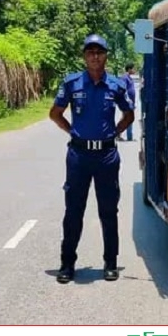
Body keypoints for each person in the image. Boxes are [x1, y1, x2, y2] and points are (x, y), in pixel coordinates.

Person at [49, 34, 135, 284]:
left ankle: (110, 262)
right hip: (79, 156)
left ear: (106, 55)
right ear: (84, 56)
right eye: (90, 52)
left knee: (108, 210)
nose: (95, 56)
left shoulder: (116, 85)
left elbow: (129, 114)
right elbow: (55, 113)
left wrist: (115, 133)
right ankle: (67, 263)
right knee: (74, 210)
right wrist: (73, 132)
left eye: (99, 52)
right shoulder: (71, 83)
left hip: (107, 156)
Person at [119, 63, 136, 141]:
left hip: (130, 102)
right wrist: (127, 99)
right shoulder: (124, 78)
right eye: (133, 68)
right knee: (128, 118)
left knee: (126, 118)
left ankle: (128, 136)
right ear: (129, 69)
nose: (134, 70)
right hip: (127, 102)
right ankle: (126, 136)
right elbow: (123, 89)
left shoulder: (129, 77)